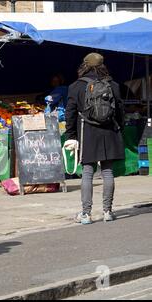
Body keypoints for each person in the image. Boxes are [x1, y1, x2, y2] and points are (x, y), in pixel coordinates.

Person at [65, 52, 125, 225]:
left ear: (84, 65)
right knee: (107, 171)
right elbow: (120, 110)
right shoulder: (112, 85)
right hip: (109, 131)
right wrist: (119, 126)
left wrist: (71, 135)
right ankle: (108, 211)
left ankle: (86, 213)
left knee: (87, 172)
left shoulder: (76, 86)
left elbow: (70, 112)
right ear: (102, 65)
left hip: (87, 132)